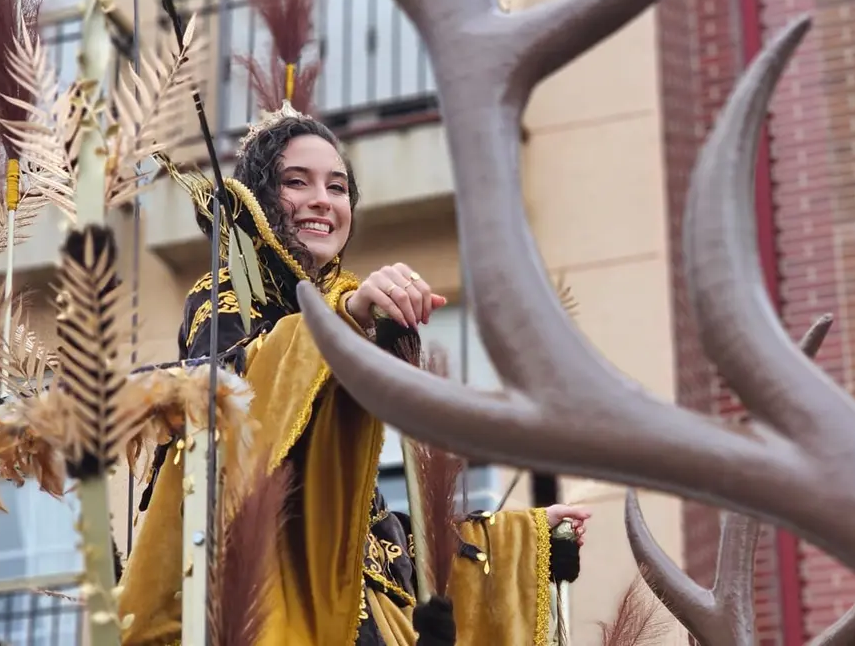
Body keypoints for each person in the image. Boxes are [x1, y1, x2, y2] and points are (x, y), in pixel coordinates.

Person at [118, 100, 590, 646]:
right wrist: (346, 321)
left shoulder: (342, 325)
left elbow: (386, 545)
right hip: (262, 606)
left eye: (338, 187)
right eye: (297, 182)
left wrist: (523, 540)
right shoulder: (220, 299)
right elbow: (225, 400)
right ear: (257, 199)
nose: (322, 200)